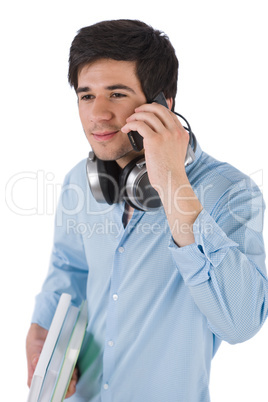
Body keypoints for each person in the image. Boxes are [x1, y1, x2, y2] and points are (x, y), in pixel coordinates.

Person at [26, 19, 268, 401]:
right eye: (86, 95)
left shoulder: (230, 191)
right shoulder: (80, 180)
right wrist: (43, 326)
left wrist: (173, 183)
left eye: (117, 94)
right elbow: (70, 266)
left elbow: (240, 323)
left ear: (162, 104)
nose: (97, 115)